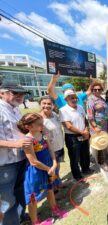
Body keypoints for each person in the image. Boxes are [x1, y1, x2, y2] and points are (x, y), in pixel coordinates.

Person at [17, 113, 68, 225]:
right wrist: (48, 168)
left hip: (49, 167)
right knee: (33, 198)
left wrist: (54, 163)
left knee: (50, 188)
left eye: (42, 123)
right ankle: (35, 222)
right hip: (36, 171)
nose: (42, 125)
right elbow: (33, 161)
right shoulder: (28, 141)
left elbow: (50, 149)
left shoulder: (43, 134)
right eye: (39, 124)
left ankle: (55, 210)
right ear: (28, 127)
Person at [0, 80, 31, 225]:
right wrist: (16, 144)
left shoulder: (16, 109)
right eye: (15, 93)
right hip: (5, 164)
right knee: (7, 201)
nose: (20, 96)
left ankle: (20, 216)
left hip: (20, 158)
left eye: (22, 94)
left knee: (20, 192)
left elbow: (19, 131)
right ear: (2, 93)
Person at [59, 89, 92, 181]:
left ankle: (86, 169)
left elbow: (85, 120)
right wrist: (82, 132)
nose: (74, 99)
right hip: (72, 137)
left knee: (85, 154)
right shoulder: (63, 110)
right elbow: (68, 126)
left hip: (84, 134)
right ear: (66, 99)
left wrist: (86, 130)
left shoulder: (80, 107)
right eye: (71, 98)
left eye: (75, 97)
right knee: (74, 158)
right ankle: (77, 176)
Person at [39, 96, 65, 188]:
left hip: (59, 145)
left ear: (53, 105)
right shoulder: (39, 119)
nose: (46, 106)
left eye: (49, 103)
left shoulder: (55, 114)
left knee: (57, 166)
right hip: (49, 149)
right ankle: (53, 188)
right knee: (51, 168)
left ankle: (58, 182)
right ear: (40, 105)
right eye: (44, 103)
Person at [87, 82, 108, 172]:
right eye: (94, 89)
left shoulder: (101, 98)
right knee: (99, 144)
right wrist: (95, 126)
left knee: (103, 143)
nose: (97, 91)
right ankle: (102, 163)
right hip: (96, 127)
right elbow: (90, 116)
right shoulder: (90, 100)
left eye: (99, 89)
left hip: (104, 126)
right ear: (92, 90)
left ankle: (101, 159)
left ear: (101, 90)